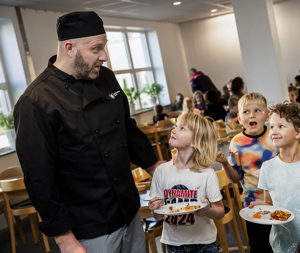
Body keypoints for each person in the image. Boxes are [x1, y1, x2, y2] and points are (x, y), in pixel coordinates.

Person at [13, 11, 160, 253]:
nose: (104, 57)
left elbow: (126, 129)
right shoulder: (36, 102)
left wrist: (155, 167)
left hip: (129, 208)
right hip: (88, 226)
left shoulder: (107, 78)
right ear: (69, 47)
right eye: (96, 49)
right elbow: (40, 179)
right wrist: (64, 239)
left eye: (105, 47)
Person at [256, 101, 300, 252]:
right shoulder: (267, 168)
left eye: (280, 126)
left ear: (298, 132)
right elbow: (269, 204)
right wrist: (259, 209)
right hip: (281, 244)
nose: (273, 131)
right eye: (272, 127)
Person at [148, 113, 225, 253]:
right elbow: (158, 216)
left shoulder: (207, 174)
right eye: (176, 126)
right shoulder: (161, 172)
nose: (173, 130)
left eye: (182, 128)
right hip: (173, 245)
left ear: (195, 141)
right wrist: (155, 208)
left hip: (204, 245)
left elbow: (220, 212)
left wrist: (208, 211)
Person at [216, 92, 277, 253]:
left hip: (281, 200)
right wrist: (224, 164)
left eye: (257, 110)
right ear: (239, 118)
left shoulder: (275, 135)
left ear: (267, 115)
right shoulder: (236, 143)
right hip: (254, 204)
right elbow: (236, 178)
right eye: (246, 112)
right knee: (259, 246)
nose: (252, 115)